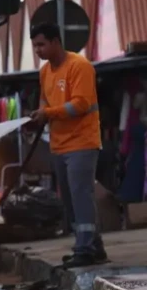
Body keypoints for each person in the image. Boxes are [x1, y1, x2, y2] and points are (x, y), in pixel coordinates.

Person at [30, 22, 106, 268]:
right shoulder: (45, 72)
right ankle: (94, 247)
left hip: (82, 142)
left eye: (41, 44)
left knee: (80, 194)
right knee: (71, 199)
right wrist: (41, 113)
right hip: (59, 145)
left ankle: (83, 249)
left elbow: (81, 104)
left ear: (55, 42)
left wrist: (48, 113)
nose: (38, 50)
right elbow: (45, 99)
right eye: (35, 46)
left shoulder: (79, 66)